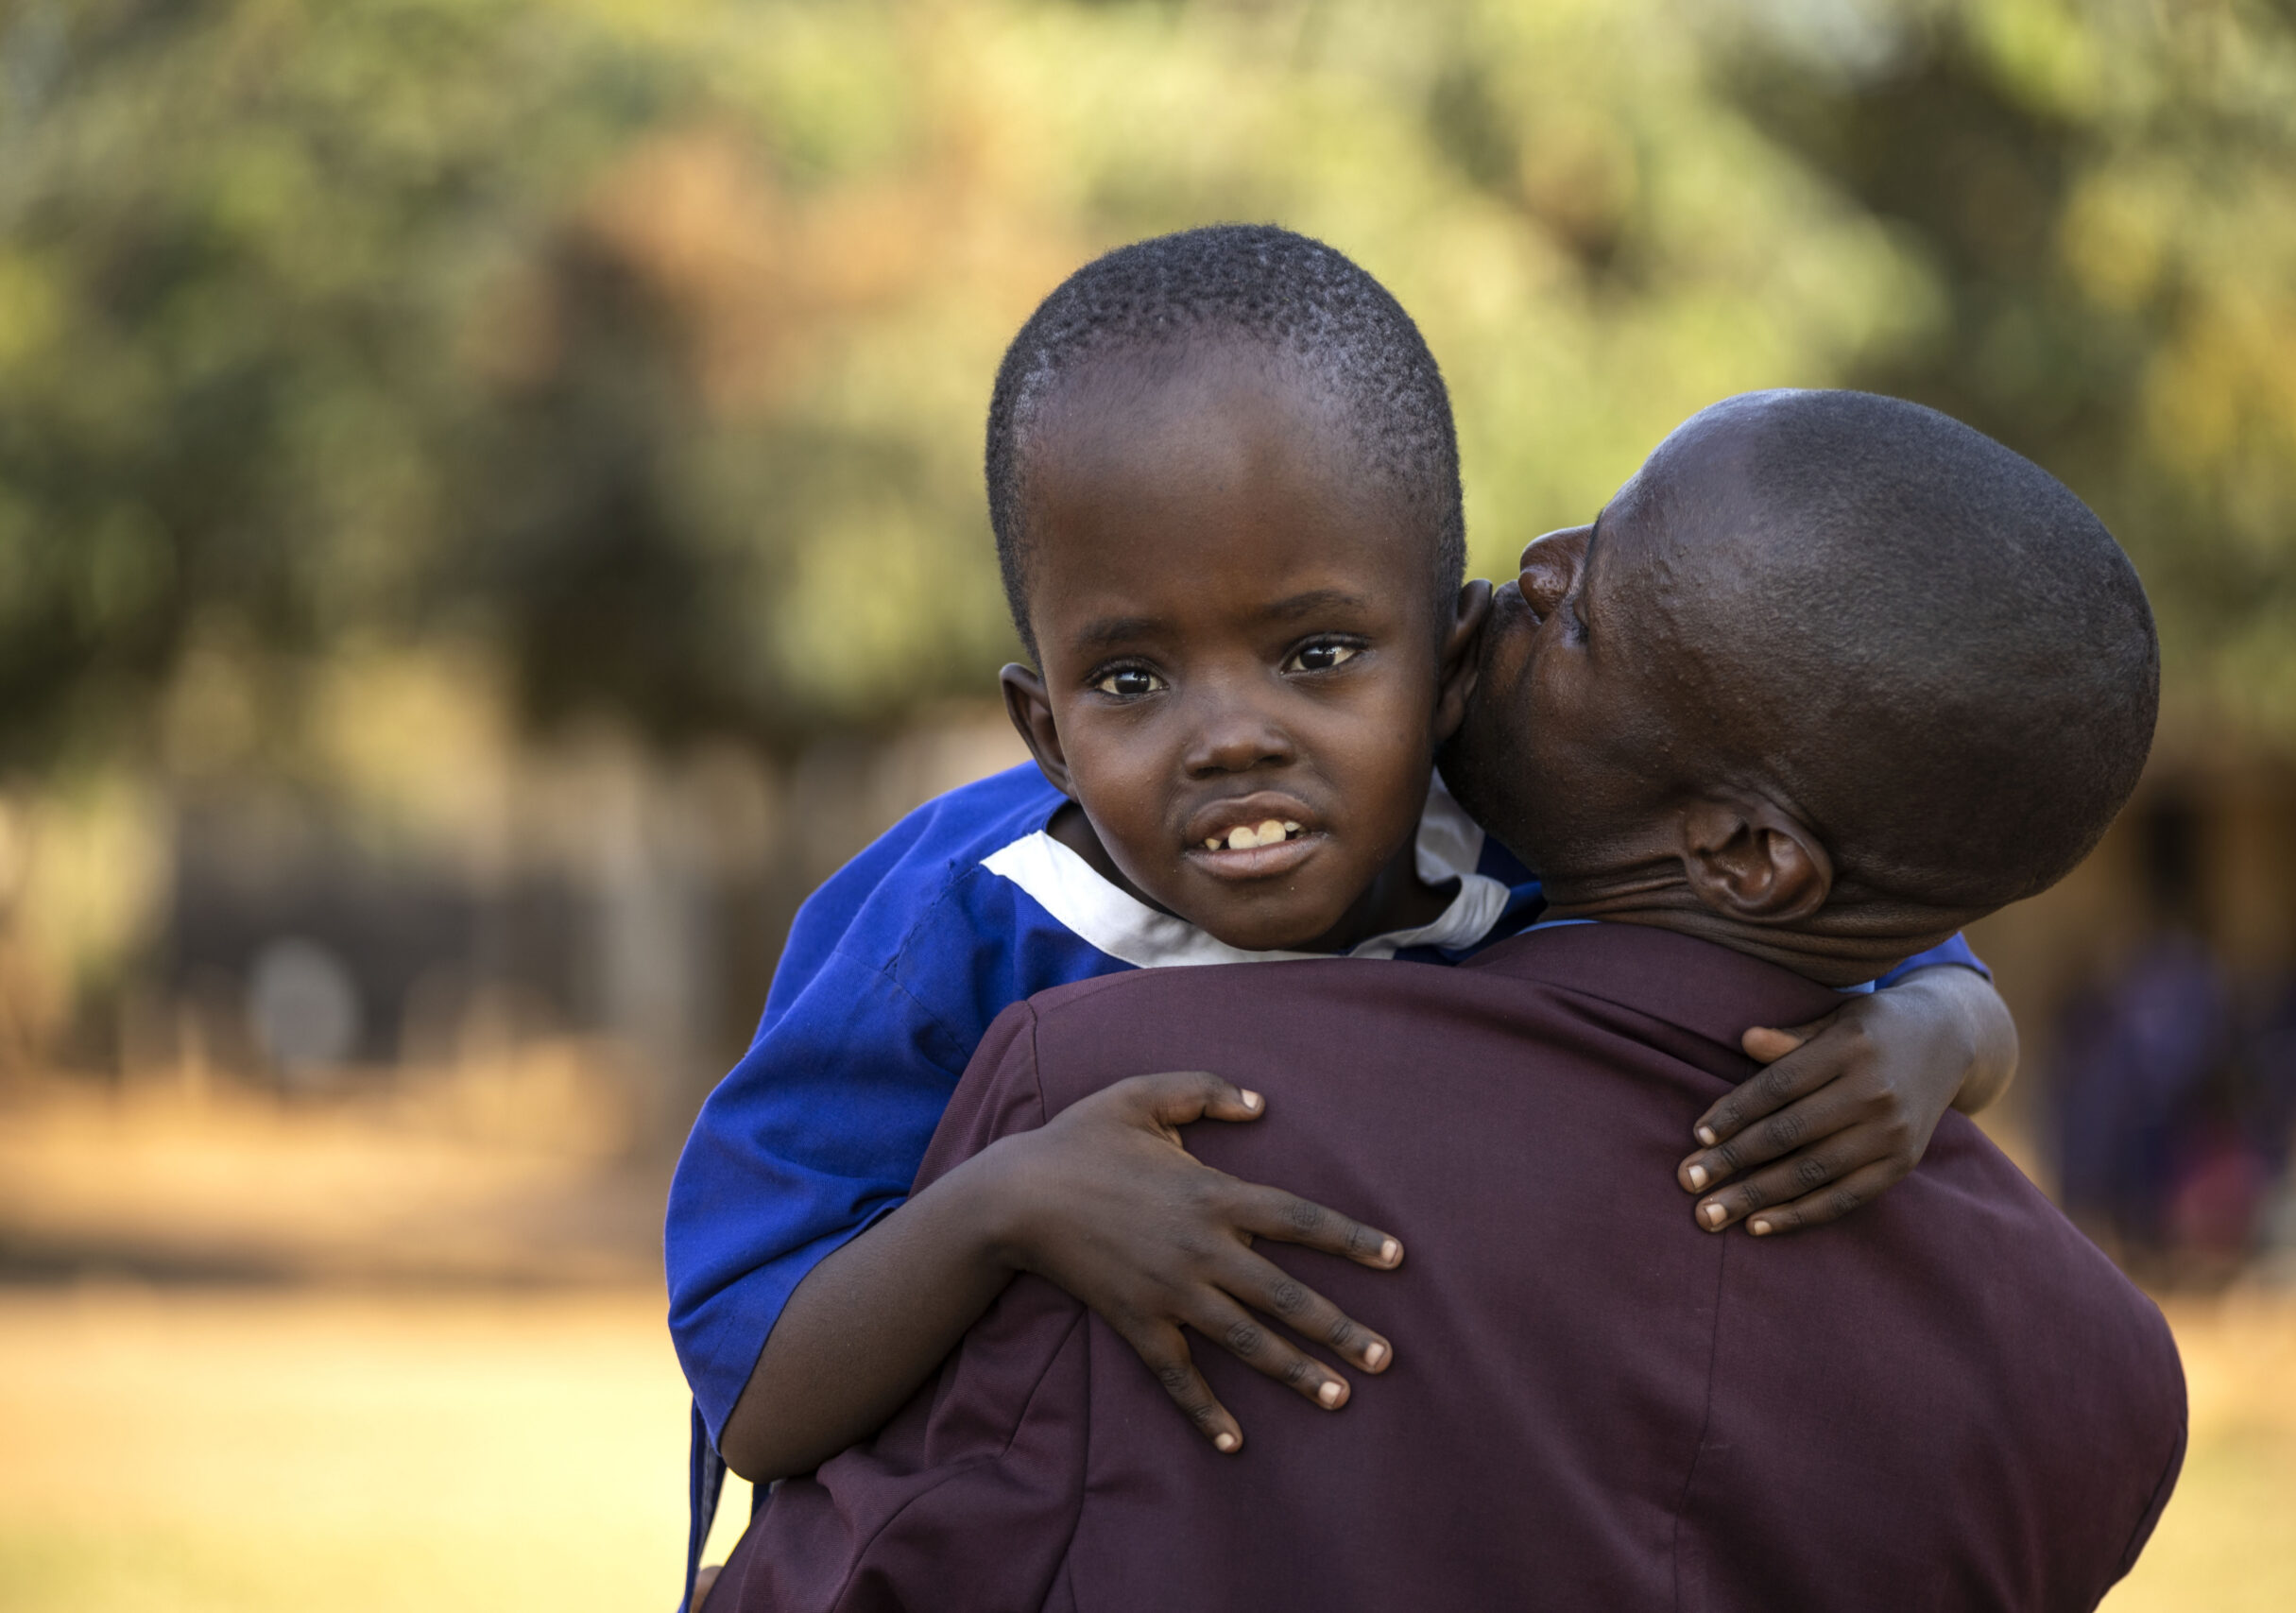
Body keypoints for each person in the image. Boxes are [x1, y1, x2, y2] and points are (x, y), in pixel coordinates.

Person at [664, 229, 2012, 1590]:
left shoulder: (1543, 844)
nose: (1232, 737)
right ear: (1046, 731)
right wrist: (1007, 1203)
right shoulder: (958, 928)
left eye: (1318, 654)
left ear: (1454, 667)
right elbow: (763, 1390)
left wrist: (1940, 1035)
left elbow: (1895, 955)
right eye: (1131, 679)